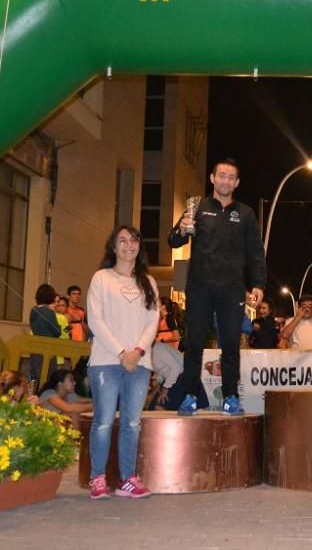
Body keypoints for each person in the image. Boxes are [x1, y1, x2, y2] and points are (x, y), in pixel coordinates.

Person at [168, 158, 266, 416]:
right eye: (221, 175)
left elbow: (256, 252)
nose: (225, 180)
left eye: (231, 177)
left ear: (237, 182)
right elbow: (173, 240)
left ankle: (230, 397)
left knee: (231, 346)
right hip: (199, 287)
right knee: (194, 343)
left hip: (232, 289)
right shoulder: (197, 207)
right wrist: (183, 229)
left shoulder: (245, 213)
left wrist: (258, 283)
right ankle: (189, 395)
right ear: (212, 178)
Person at [86, 225, 159, 500]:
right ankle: (98, 477)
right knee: (103, 421)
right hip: (106, 362)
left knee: (132, 422)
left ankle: (128, 479)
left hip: (139, 363)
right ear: (113, 247)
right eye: (123, 240)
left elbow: (152, 321)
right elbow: (95, 320)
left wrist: (137, 351)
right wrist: (121, 352)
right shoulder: (101, 279)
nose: (129, 245)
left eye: (134, 240)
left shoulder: (148, 282)